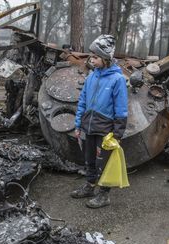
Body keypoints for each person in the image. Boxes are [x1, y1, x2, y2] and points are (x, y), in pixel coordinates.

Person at [70, 34, 128, 208]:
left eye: (95, 57)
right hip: (89, 126)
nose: (92, 60)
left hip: (105, 129)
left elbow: (121, 108)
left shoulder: (117, 79)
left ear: (105, 58)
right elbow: (82, 101)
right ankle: (89, 186)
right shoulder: (91, 77)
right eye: (91, 56)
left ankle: (104, 194)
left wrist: (117, 134)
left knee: (104, 163)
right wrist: (78, 124)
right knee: (90, 160)